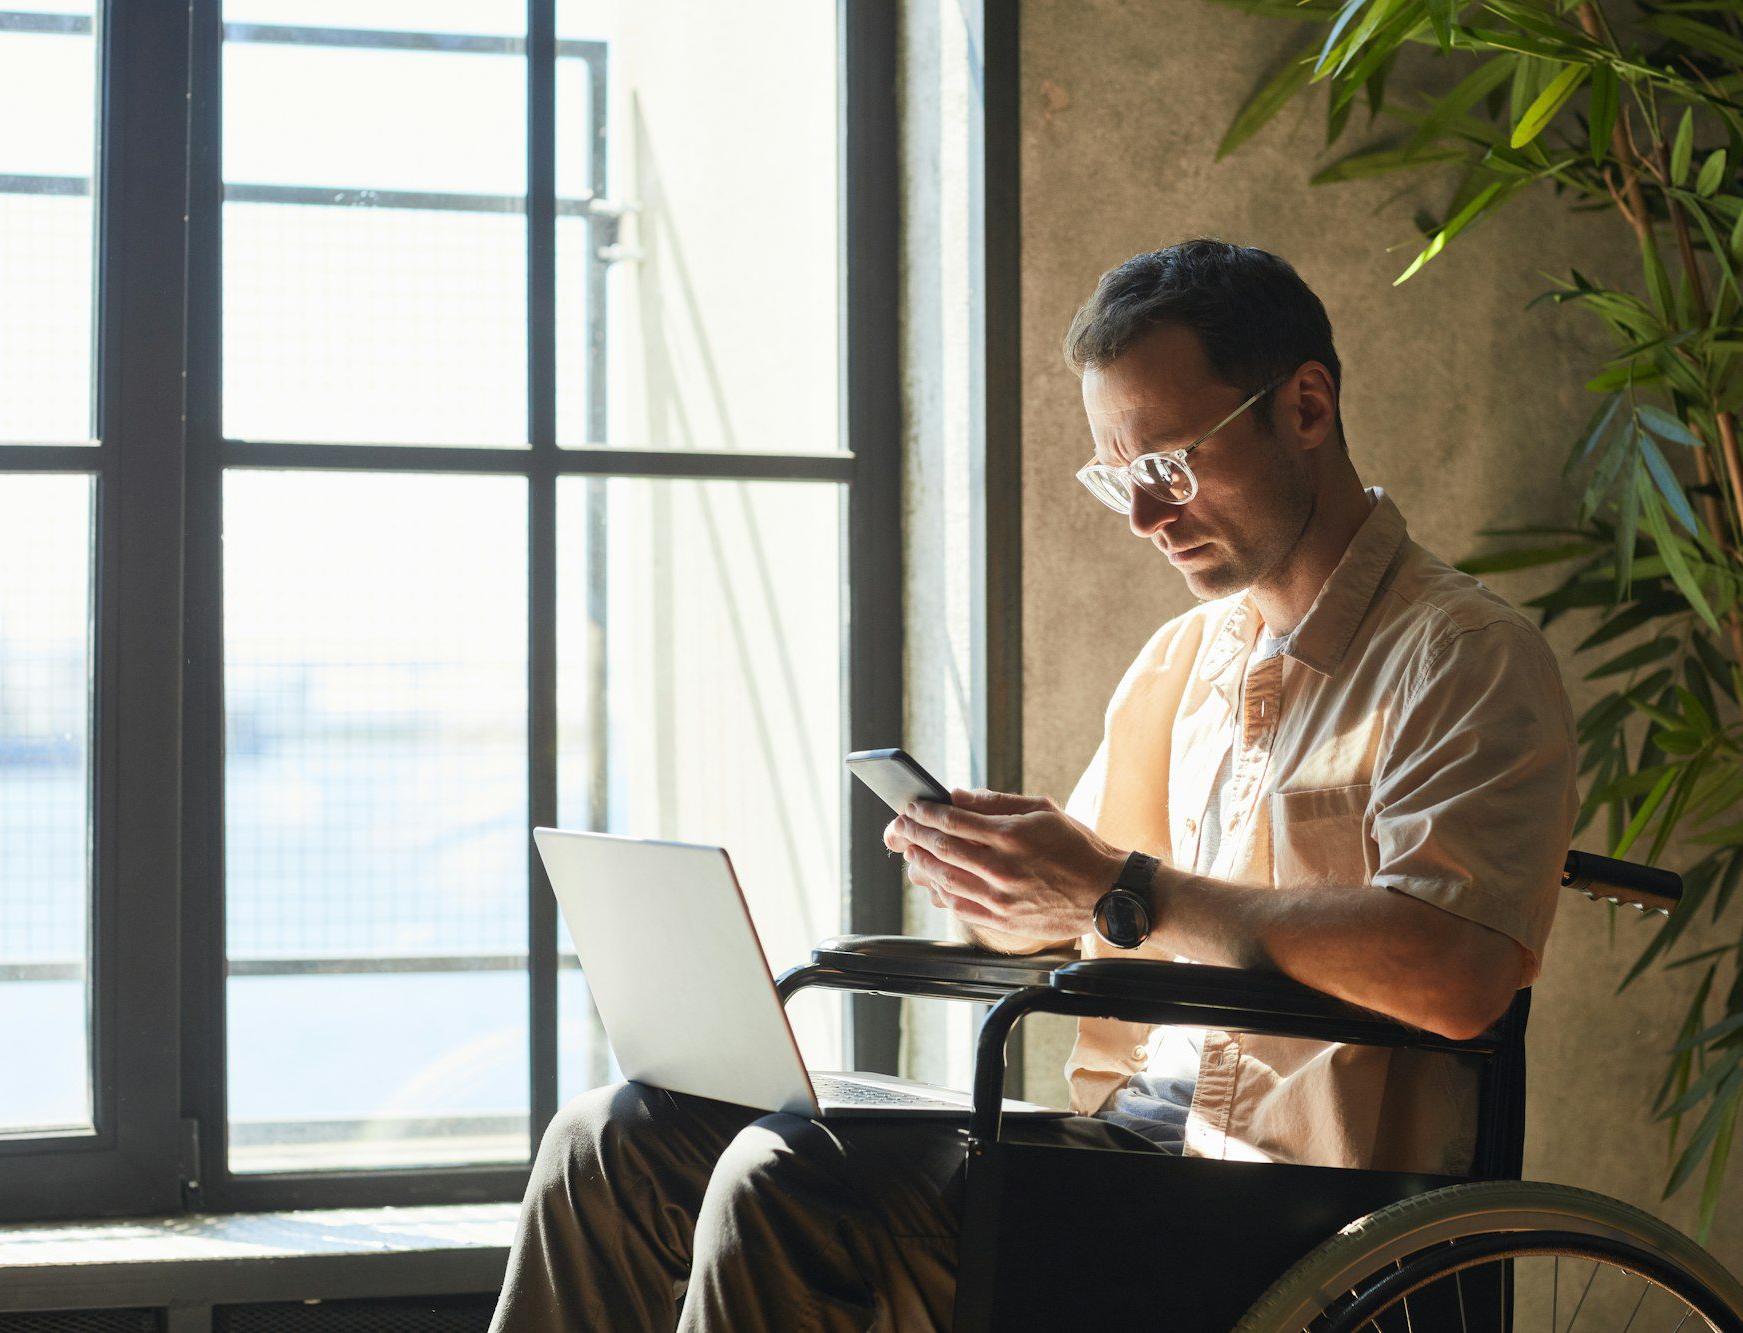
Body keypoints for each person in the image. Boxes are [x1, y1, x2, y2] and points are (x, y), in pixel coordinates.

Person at [488, 239, 1580, 1332]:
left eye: (1172, 462)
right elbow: (1096, 909)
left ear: (1304, 407)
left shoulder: (1463, 657)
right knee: (617, 1139)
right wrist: (1009, 895)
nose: (1147, 517)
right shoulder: (1183, 661)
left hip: (1295, 1197)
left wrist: (1119, 891)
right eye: (1120, 478)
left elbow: (1458, 973)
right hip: (1128, 1146)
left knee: (784, 1181)